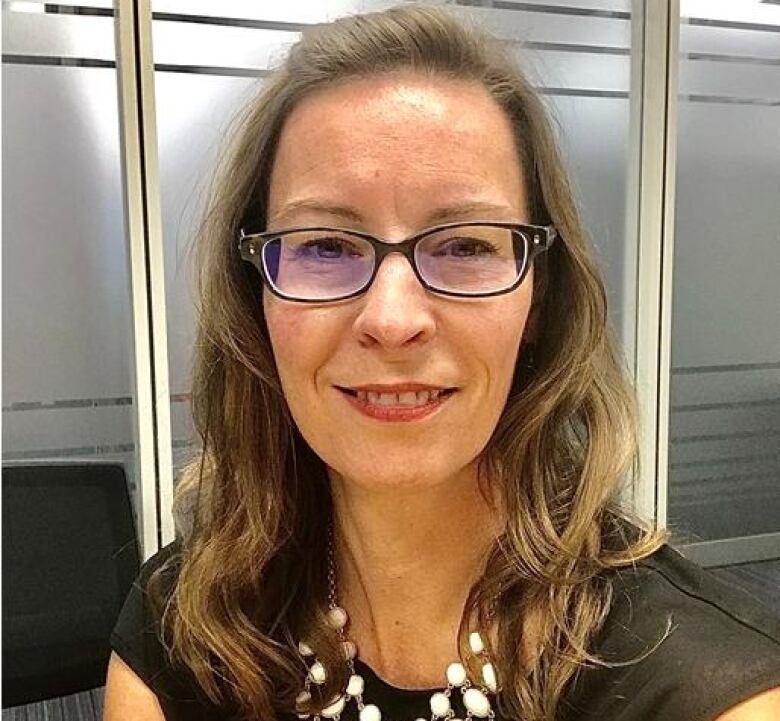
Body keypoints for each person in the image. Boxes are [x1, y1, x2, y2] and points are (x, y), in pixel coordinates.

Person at [104, 5, 780, 721]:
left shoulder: (701, 690)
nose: (393, 320)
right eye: (326, 246)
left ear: (539, 300)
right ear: (256, 301)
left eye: (464, 246)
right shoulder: (186, 623)